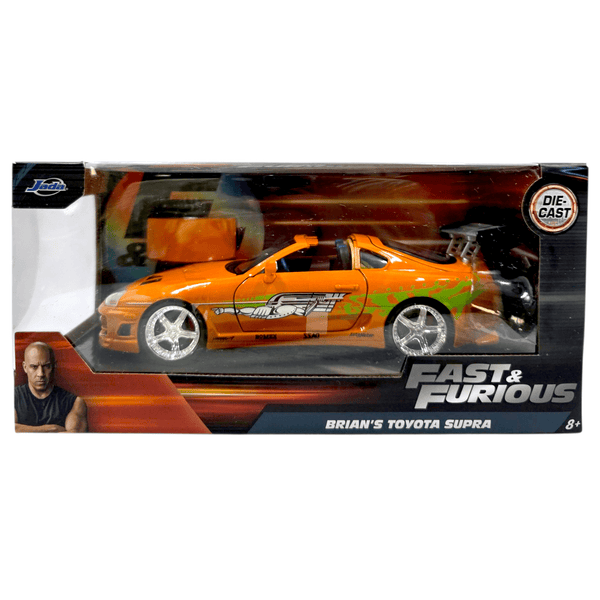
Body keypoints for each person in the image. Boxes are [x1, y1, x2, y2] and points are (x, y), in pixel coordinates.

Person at [15, 341, 87, 432]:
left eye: (46, 366)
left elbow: (74, 437)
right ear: (25, 367)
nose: (40, 374)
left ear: (54, 366)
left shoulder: (75, 403)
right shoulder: (12, 396)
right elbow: (6, 431)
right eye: (34, 367)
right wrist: (52, 429)